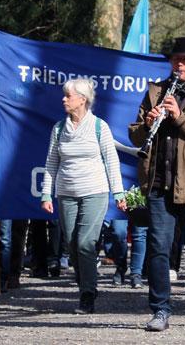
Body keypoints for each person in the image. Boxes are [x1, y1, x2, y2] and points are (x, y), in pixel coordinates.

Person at [129, 36, 185, 332]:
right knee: (158, 248)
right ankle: (159, 310)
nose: (178, 65)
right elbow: (134, 135)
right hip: (159, 182)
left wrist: (180, 118)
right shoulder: (155, 91)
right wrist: (147, 125)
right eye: (175, 60)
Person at [39, 77, 125, 314]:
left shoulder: (99, 127)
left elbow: (111, 161)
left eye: (68, 95)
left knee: (86, 242)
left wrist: (118, 192)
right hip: (66, 193)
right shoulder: (59, 129)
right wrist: (46, 193)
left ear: (82, 100)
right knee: (72, 244)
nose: (63, 99)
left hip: (95, 192)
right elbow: (51, 163)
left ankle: (87, 293)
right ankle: (86, 282)